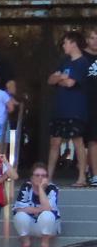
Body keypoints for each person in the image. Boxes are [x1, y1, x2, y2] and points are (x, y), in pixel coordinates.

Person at [47, 31, 89, 185]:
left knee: (78, 141)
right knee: (54, 143)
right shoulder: (64, 61)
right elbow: (50, 80)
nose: (63, 45)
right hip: (60, 109)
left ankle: (82, 178)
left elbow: (71, 83)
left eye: (65, 42)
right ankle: (48, 178)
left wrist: (62, 78)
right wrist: (61, 78)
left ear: (73, 43)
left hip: (75, 109)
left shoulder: (82, 62)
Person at [13, 163, 60, 247]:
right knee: (20, 216)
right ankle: (26, 243)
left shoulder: (52, 188)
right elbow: (18, 209)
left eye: (43, 176)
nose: (40, 178)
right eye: (37, 175)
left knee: (47, 215)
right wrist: (39, 209)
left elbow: (47, 209)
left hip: (49, 227)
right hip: (31, 225)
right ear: (31, 178)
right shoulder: (26, 187)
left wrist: (41, 188)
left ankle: (44, 244)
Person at [82, 29, 97, 187]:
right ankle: (90, 173)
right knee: (88, 140)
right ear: (87, 40)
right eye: (92, 38)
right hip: (85, 103)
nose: (95, 41)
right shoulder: (81, 57)